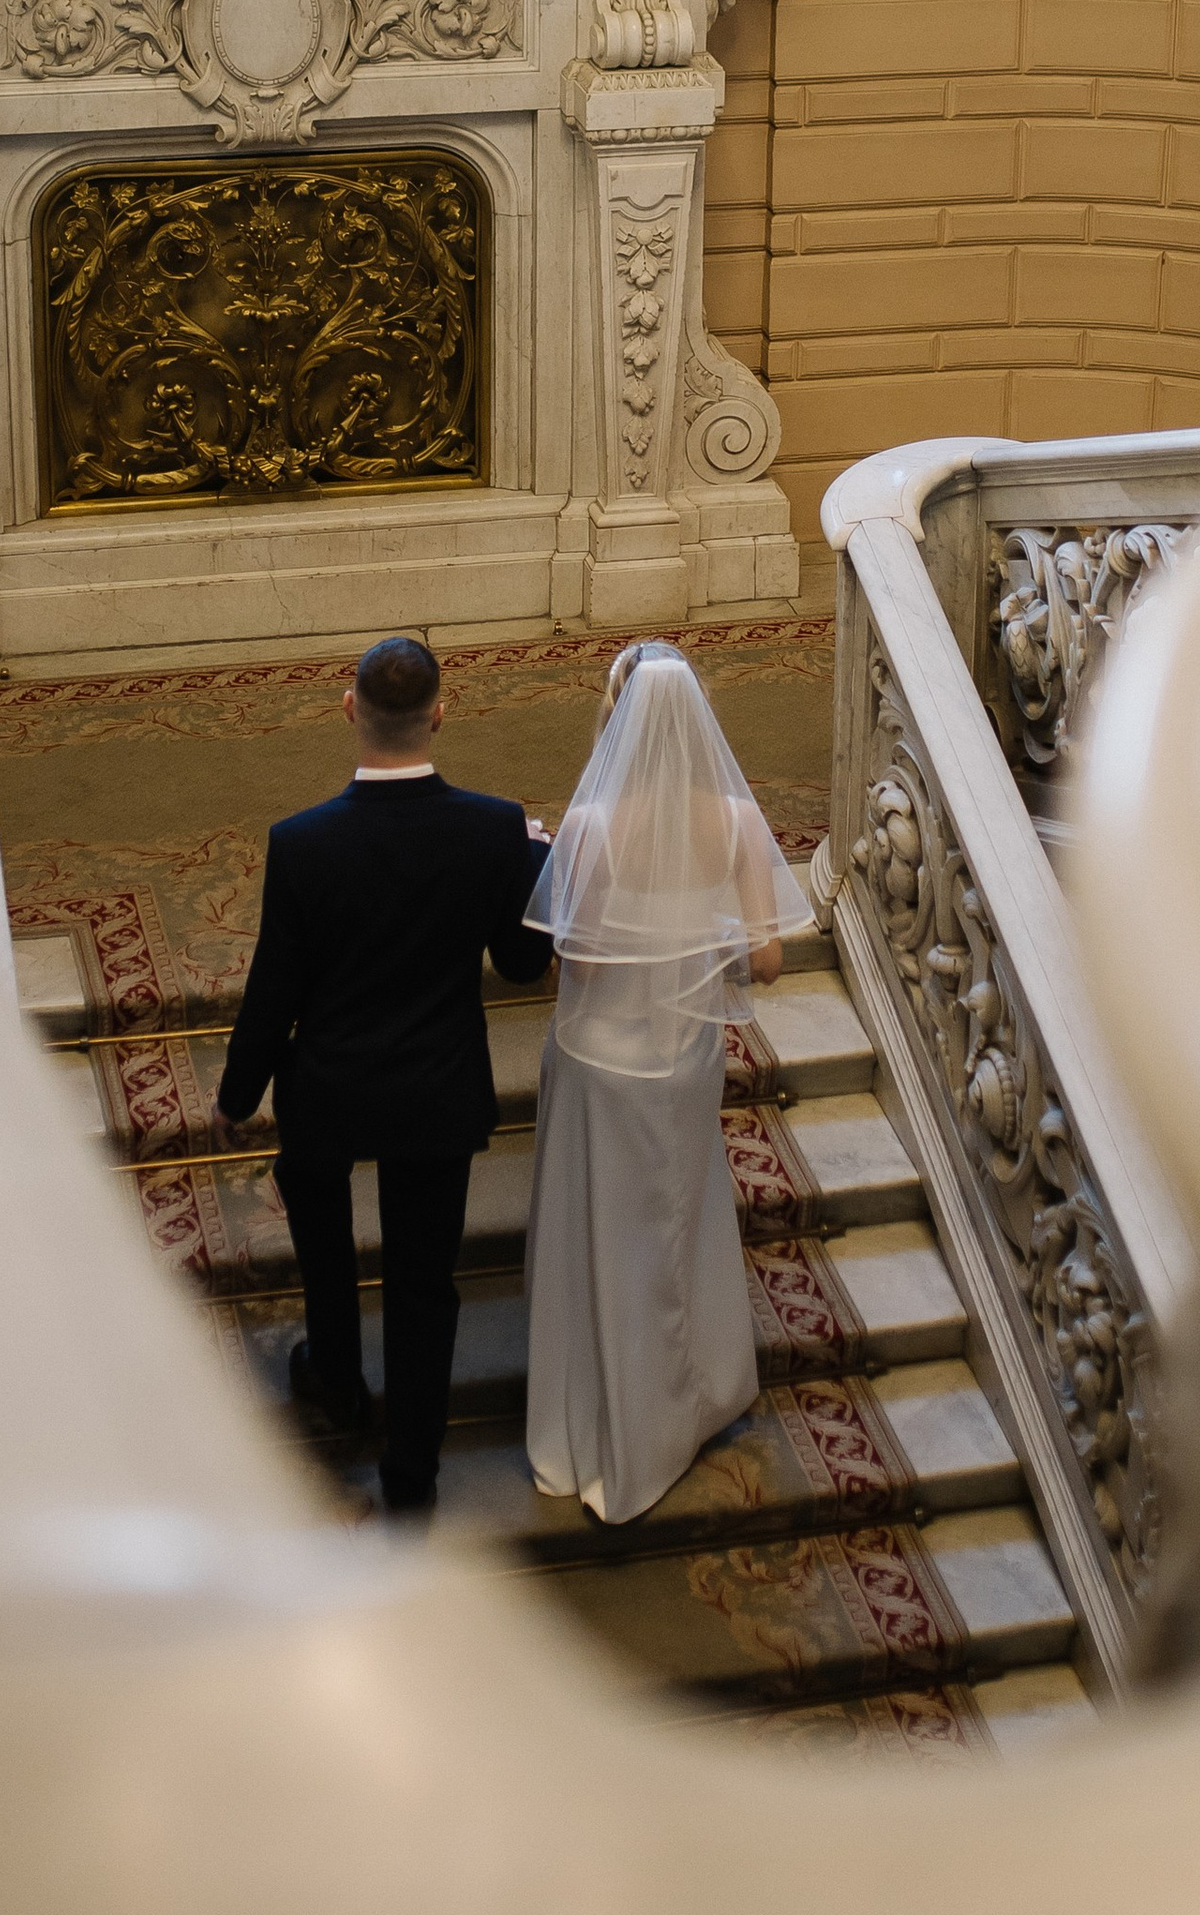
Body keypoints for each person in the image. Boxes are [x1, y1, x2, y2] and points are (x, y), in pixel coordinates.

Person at [212, 633, 551, 1516]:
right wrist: (538, 862)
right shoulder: (493, 829)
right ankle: (412, 1478)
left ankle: (333, 1380)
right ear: (441, 714)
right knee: (421, 1282)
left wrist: (237, 1094)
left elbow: (273, 987)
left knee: (326, 1251)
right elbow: (521, 965)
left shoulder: (302, 844)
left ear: (349, 708)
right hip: (436, 1091)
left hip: (327, 1089)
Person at [522, 641, 811, 1525]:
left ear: (613, 719)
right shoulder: (730, 818)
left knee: (596, 1234)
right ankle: (676, 1405)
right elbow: (764, 961)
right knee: (671, 1226)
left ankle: (587, 1426)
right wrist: (696, 938)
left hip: (597, 1064)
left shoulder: (589, 828)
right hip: (682, 1062)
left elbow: (575, 964)